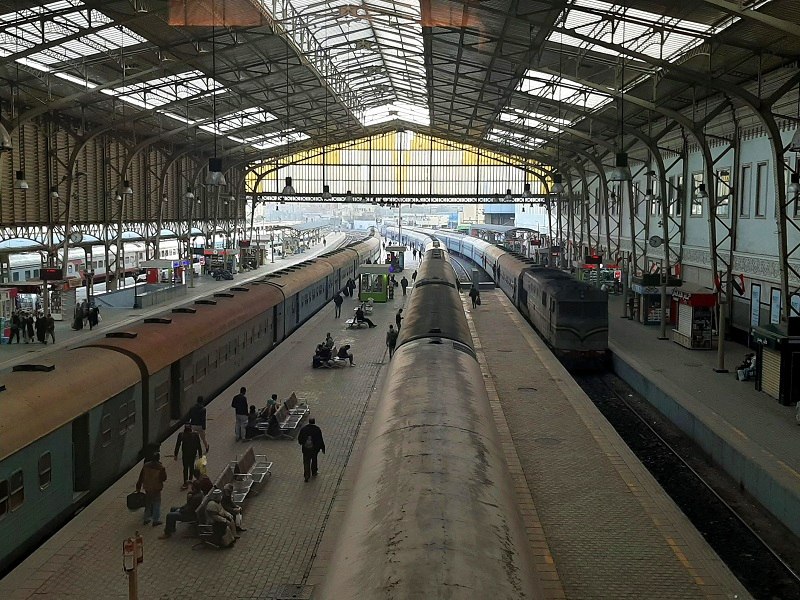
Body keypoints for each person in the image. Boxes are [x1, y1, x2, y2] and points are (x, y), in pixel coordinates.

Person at [136, 452, 167, 526]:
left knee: (148, 503)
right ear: (158, 458)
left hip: (147, 487)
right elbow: (164, 478)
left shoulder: (146, 466)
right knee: (156, 503)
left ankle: (146, 519)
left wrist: (138, 487)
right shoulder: (161, 467)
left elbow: (141, 477)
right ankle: (155, 520)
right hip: (156, 488)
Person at [174, 424, 203, 489]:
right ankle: (190, 478)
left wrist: (175, 454)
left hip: (185, 454)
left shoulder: (181, 435)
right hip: (193, 453)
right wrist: (200, 454)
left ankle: (186, 481)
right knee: (191, 466)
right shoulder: (195, 435)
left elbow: (178, 445)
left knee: (185, 468)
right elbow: (199, 445)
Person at [298, 418, 326, 482]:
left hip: (306, 449)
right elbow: (320, 439)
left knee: (306, 462)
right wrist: (322, 447)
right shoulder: (317, 429)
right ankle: (314, 472)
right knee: (314, 460)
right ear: (314, 422)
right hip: (314, 449)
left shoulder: (304, 429)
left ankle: (306, 476)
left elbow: (300, 438)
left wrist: (301, 443)